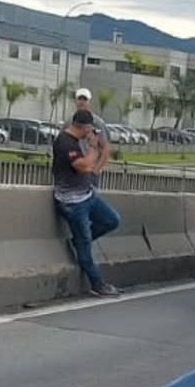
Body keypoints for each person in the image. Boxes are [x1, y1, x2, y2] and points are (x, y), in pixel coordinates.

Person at [53, 110, 120, 297]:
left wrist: (97, 151)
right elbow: (84, 166)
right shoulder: (65, 141)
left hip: (87, 194)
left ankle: (80, 242)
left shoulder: (76, 141)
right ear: (83, 127)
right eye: (90, 129)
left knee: (112, 220)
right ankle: (97, 283)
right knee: (84, 246)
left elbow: (91, 165)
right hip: (71, 202)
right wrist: (92, 148)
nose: (91, 133)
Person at [74, 87, 110, 178]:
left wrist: (95, 171)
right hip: (74, 170)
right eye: (79, 99)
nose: (81, 102)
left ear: (89, 102)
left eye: (85, 99)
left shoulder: (97, 123)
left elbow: (105, 149)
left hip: (90, 171)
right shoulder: (70, 121)